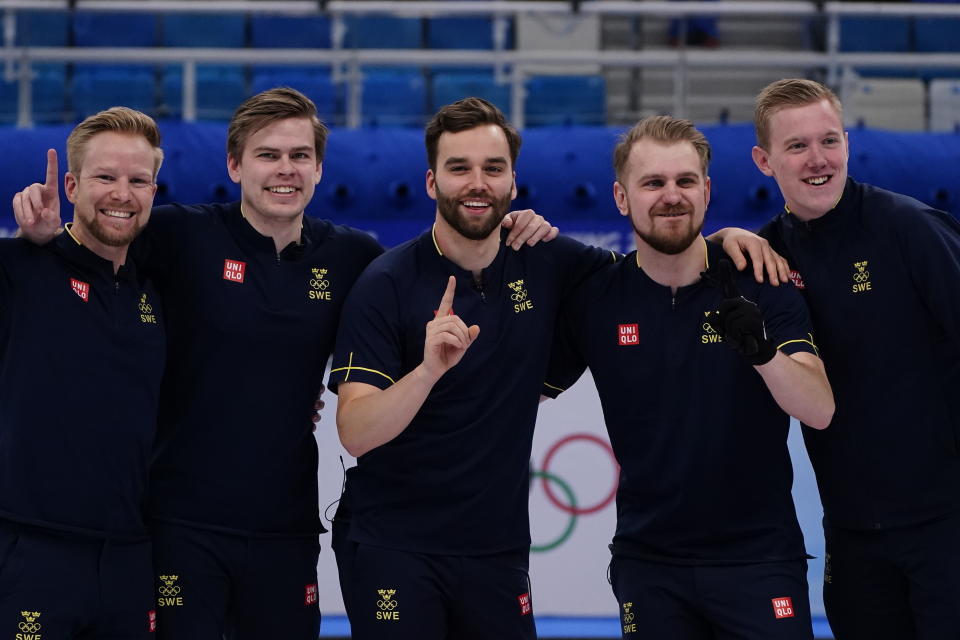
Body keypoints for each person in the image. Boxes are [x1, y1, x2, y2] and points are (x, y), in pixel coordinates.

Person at [12, 88, 557, 640]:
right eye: (268, 155)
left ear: (319, 169)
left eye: (299, 156)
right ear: (234, 164)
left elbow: (444, 259)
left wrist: (512, 225)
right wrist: (44, 237)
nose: (285, 170)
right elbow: (105, 235)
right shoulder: (178, 235)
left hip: (287, 528)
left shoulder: (355, 258)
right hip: (179, 525)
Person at [543, 115, 835, 640]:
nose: (670, 196)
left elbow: (819, 408)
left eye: (684, 181)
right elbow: (515, 393)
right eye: (652, 183)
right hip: (649, 563)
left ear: (707, 190)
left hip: (758, 559)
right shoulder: (597, 296)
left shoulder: (762, 279)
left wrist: (762, 353)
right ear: (621, 196)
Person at [746, 78, 960, 639]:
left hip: (946, 527)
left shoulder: (909, 228)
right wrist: (723, 240)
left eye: (830, 141)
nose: (818, 160)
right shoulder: (766, 256)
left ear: (848, 144)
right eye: (797, 147)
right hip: (853, 535)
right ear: (764, 161)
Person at [2, 107, 165, 638]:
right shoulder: (19, 268)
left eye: (138, 180)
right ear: (70, 185)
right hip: (31, 553)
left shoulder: (157, 292)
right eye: (105, 177)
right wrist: (32, 240)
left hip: (132, 557)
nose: (122, 193)